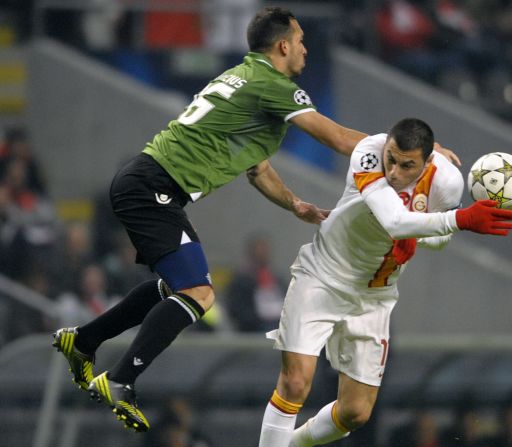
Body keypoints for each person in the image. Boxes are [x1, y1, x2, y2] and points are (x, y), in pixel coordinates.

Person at [50, 5, 395, 433]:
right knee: (198, 292)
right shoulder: (272, 84)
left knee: (173, 287)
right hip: (152, 186)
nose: (306, 48)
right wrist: (416, 155)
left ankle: (83, 341)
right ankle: (121, 379)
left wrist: (294, 204)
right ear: (283, 45)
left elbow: (259, 169)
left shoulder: (243, 77)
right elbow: (342, 140)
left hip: (149, 183)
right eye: (301, 40)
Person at [257, 118, 512, 447]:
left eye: (408, 165)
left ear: (427, 162)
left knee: (356, 413)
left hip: (374, 296)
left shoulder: (447, 182)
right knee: (295, 383)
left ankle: (290, 444)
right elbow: (394, 220)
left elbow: (436, 241)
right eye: (392, 159)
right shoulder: (369, 152)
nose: (394, 171)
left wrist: (426, 232)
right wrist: (461, 219)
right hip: (323, 274)